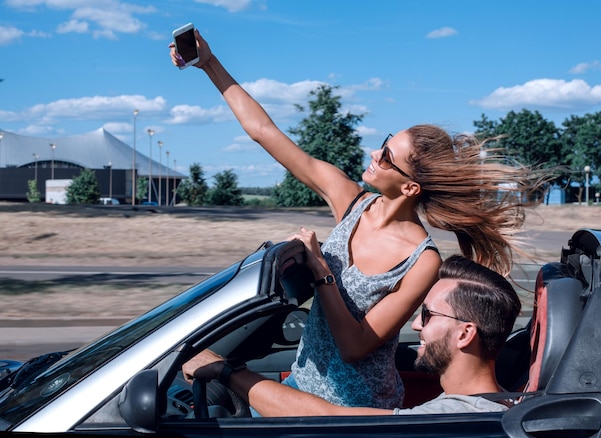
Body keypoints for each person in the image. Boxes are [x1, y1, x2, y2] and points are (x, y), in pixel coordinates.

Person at [169, 29, 542, 409]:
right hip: (299, 384)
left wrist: (321, 271)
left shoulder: (423, 261)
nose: (375, 154)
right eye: (384, 143)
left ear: (411, 187)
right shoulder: (350, 200)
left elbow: (355, 346)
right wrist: (209, 64)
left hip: (355, 411)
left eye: (387, 156)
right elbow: (265, 133)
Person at [183, 255, 522, 416]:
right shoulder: (495, 403)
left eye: (428, 315)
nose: (416, 325)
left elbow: (329, 420)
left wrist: (226, 371)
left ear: (465, 334)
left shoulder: (457, 419)